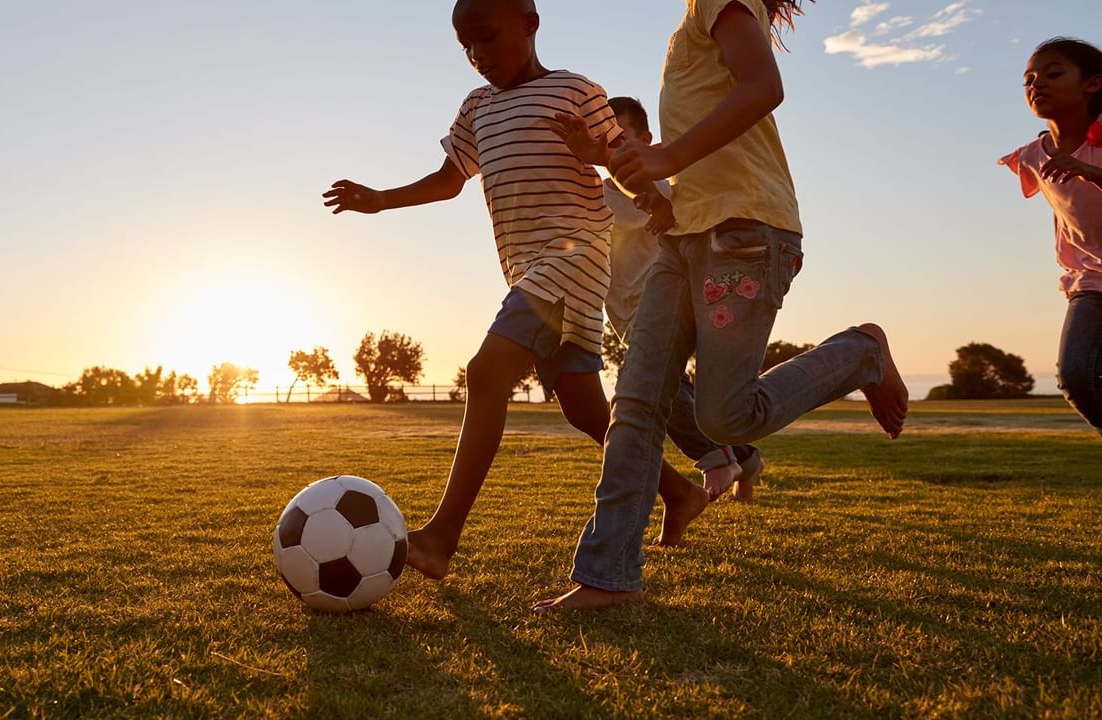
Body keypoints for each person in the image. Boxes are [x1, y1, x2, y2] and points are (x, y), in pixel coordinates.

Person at [534, 0, 908, 613]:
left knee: (726, 418)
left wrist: (666, 157)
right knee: (635, 403)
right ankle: (609, 578)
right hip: (683, 237)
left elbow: (766, 87)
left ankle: (860, 353)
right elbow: (674, 177)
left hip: (744, 231)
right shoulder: (688, 22)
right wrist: (611, 158)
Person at [322, 0, 711, 579]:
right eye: (466, 47)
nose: (478, 55)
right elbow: (450, 180)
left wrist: (654, 199)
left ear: (529, 24)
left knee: (485, 372)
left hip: (571, 259)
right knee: (586, 410)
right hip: (527, 268)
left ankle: (441, 539)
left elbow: (619, 158)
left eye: (487, 37)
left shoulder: (576, 91)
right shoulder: (476, 108)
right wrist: (381, 198)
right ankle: (679, 494)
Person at [602, 96, 765, 503]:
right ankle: (746, 459)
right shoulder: (597, 194)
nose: (614, 149)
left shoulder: (664, 185)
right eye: (605, 140)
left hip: (666, 302)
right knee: (682, 392)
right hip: (623, 312)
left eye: (622, 138)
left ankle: (715, 459)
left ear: (647, 139)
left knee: (650, 390)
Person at [1000, 37, 1102, 435]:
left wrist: (1090, 173)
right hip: (1089, 281)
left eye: (1053, 73)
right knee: (1076, 375)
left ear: (1093, 83)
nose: (1036, 84)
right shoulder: (1032, 155)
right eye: (1028, 79)